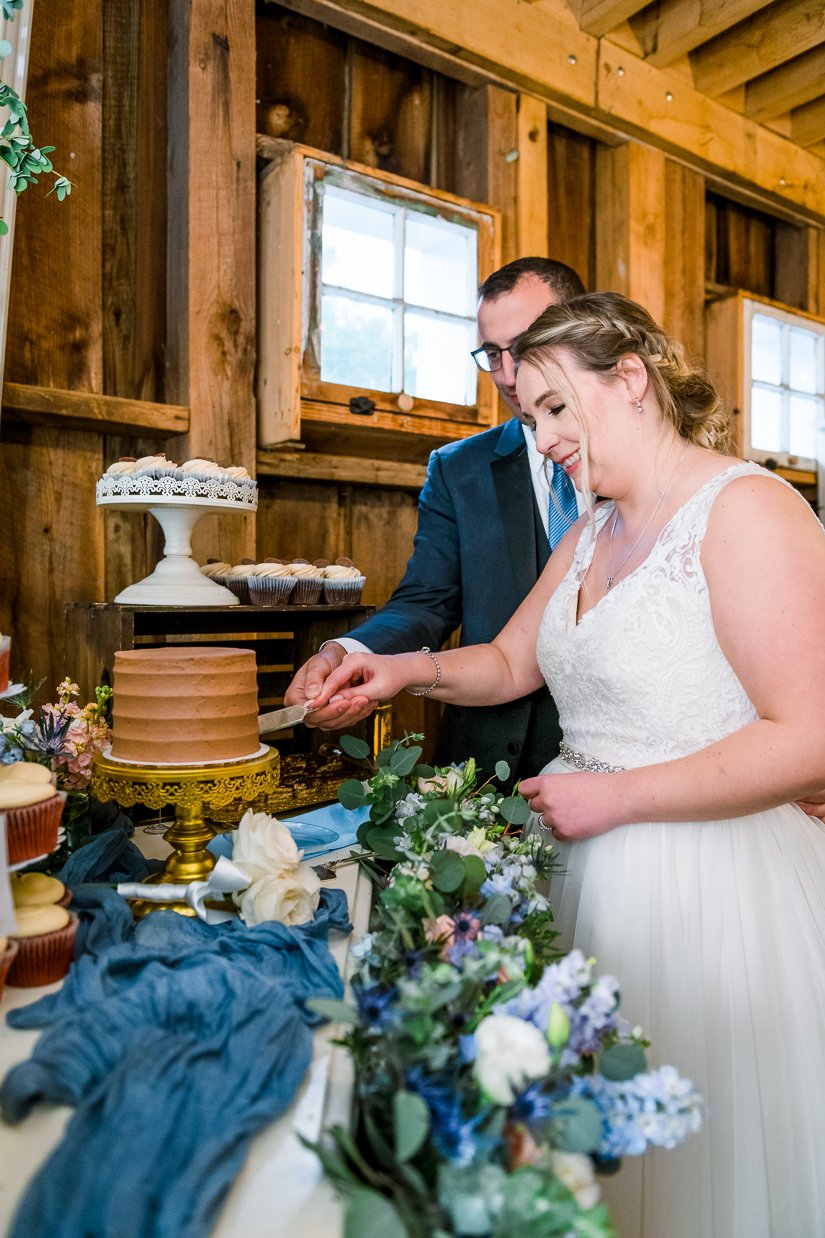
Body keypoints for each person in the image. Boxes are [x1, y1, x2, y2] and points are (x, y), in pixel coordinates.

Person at [310, 292, 825, 1238]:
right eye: (525, 417)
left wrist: (618, 797)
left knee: (690, 1161)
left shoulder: (746, 510)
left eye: (552, 408)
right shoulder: (590, 530)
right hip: (583, 874)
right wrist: (396, 669)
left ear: (629, 379)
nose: (539, 436)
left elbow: (808, 735)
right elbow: (509, 662)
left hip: (712, 891)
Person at [284, 257, 586, 781]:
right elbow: (425, 601)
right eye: (492, 355)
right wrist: (348, 652)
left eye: (524, 347)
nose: (510, 376)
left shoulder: (637, 470)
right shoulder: (458, 469)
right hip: (487, 765)